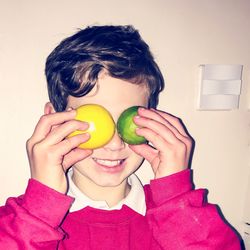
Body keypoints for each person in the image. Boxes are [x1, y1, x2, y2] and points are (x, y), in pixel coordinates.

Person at [0, 25, 242, 249]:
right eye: (96, 120)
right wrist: (40, 205)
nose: (115, 144)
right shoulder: (26, 223)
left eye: (128, 118)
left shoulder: (181, 218)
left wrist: (175, 195)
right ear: (55, 121)